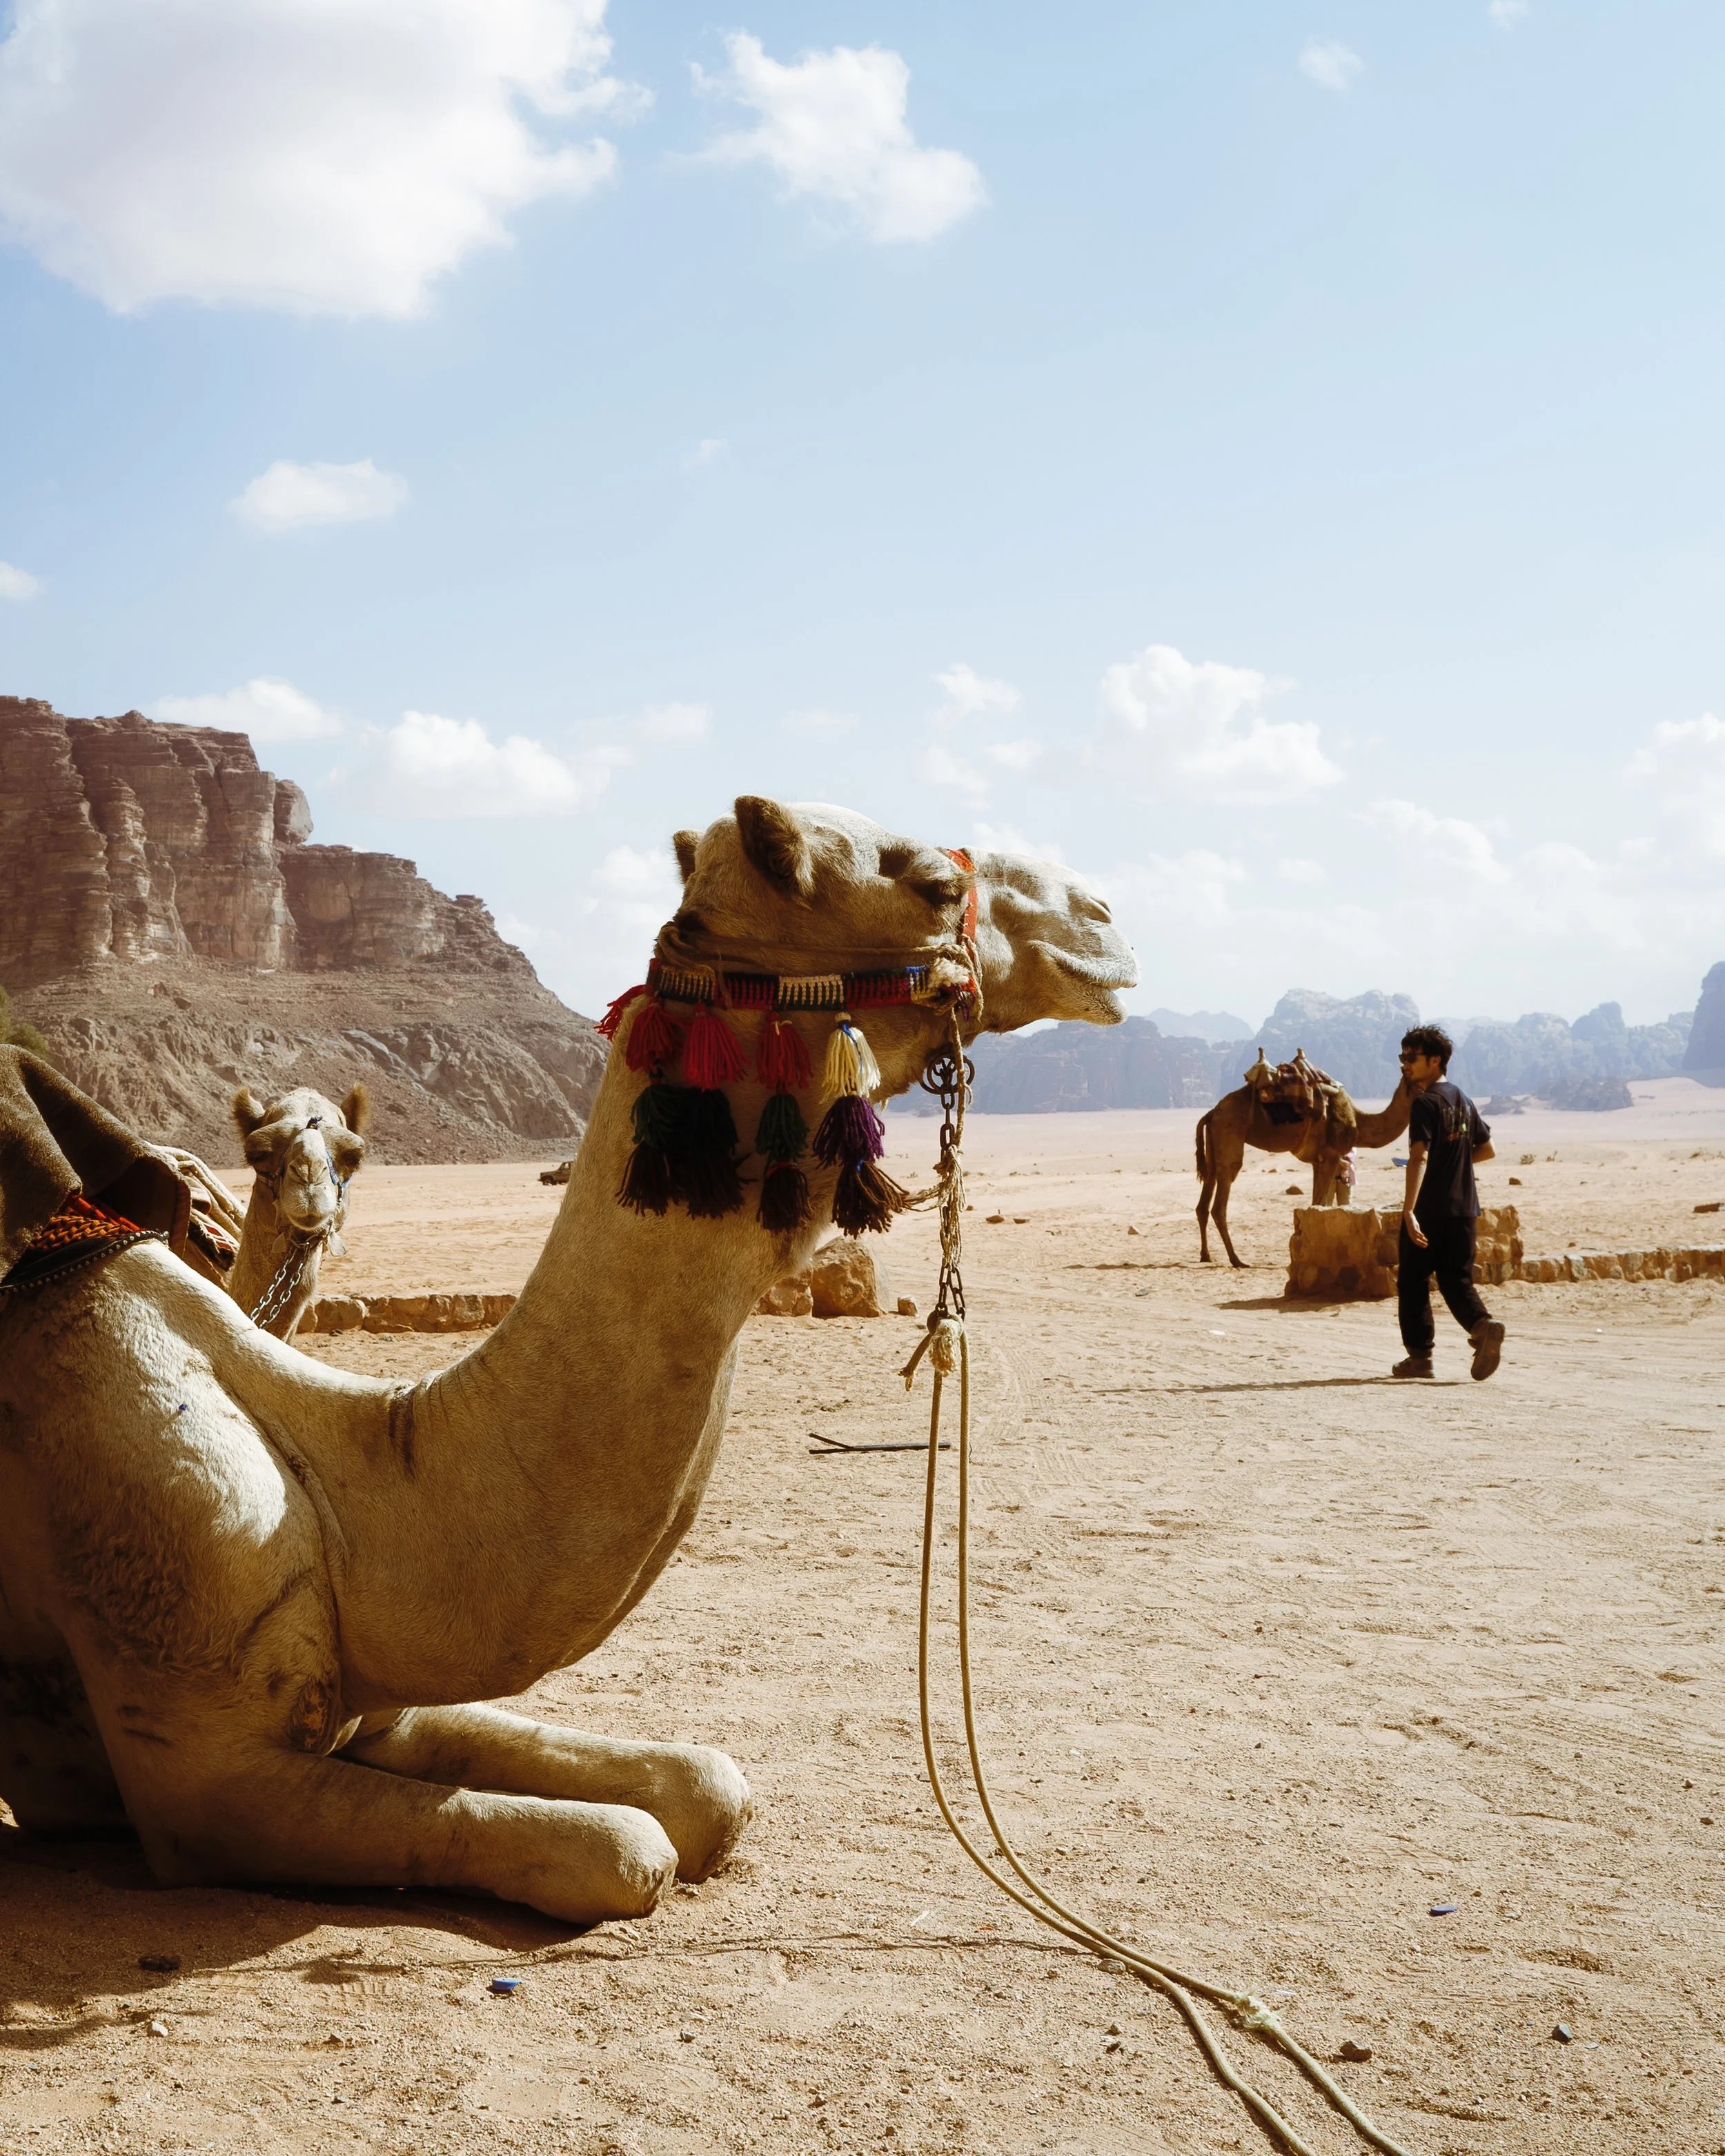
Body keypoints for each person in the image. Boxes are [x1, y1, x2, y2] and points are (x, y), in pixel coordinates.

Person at [1393, 1025, 1506, 1381]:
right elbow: (1486, 1149)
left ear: (1435, 1061)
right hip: (1464, 1210)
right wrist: (1453, 1162)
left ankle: (1420, 1358)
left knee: (1412, 1281)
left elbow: (1419, 1158)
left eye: (1412, 1058)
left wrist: (1409, 1210)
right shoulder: (1464, 1100)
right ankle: (1483, 1326)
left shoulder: (1424, 1103)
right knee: (1456, 1279)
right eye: (1403, 1058)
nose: (1405, 1065)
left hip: (1429, 1211)